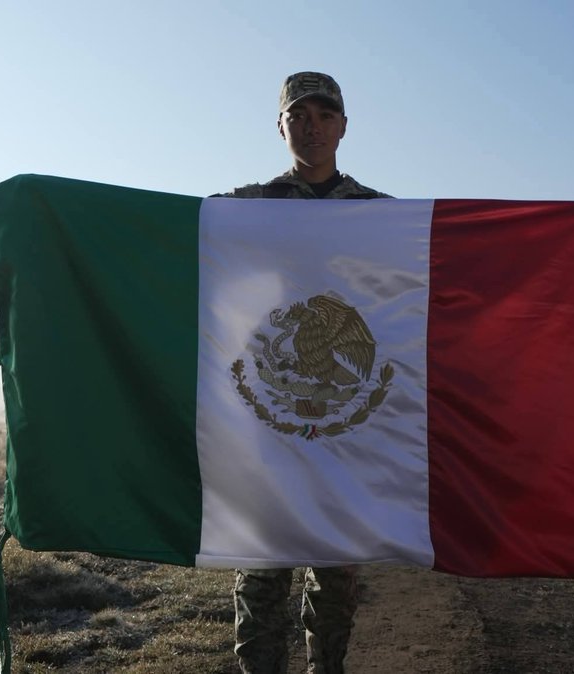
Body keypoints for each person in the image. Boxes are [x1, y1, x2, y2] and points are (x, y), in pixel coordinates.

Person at [219, 71, 391, 674]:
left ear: (343, 126)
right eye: (300, 116)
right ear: (282, 126)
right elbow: (182, 252)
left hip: (347, 427)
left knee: (336, 579)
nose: (313, 127)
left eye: (325, 115)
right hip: (264, 425)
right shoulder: (244, 210)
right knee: (261, 577)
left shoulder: (383, 217)